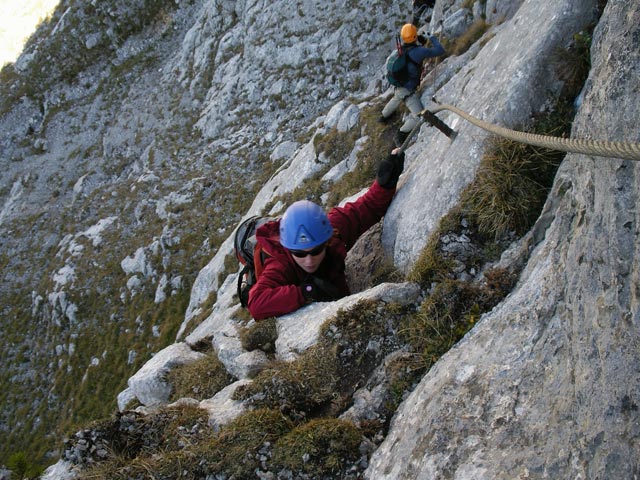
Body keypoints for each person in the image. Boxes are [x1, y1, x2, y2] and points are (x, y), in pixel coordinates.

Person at [246, 149, 406, 320]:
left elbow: (367, 207)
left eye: (316, 251)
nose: (309, 260)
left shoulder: (332, 229)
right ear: (289, 248)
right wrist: (306, 291)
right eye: (299, 253)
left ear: (326, 241)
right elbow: (256, 304)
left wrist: (385, 183)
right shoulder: (281, 262)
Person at [380, 23, 445, 146]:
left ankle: (383, 116)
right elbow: (440, 50)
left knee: (396, 98)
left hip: (399, 85)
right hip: (409, 91)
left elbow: (413, 49)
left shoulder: (400, 50)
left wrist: (419, 39)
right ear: (414, 36)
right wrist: (432, 38)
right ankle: (400, 133)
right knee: (419, 116)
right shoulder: (419, 51)